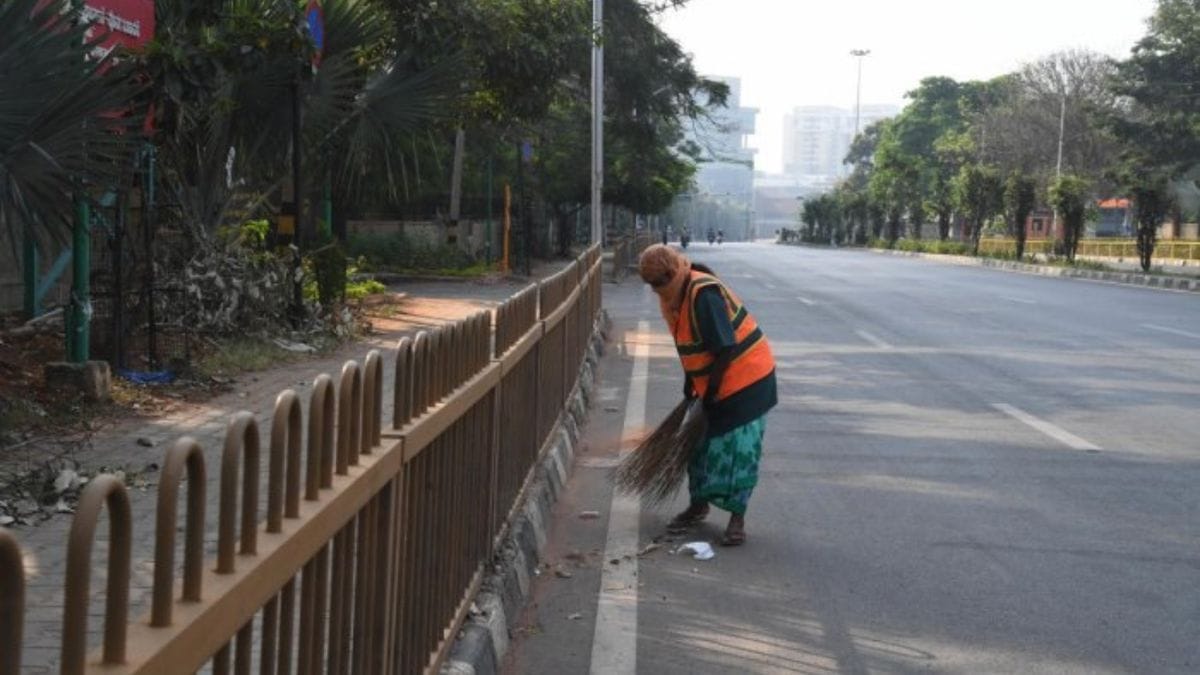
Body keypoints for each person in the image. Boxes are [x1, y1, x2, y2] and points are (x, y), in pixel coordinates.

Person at [637, 244, 777, 546]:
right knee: (698, 447)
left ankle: (737, 518)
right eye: (652, 286)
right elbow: (691, 343)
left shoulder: (704, 294)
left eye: (659, 283)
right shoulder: (674, 298)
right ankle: (698, 505)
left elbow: (724, 347)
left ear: (673, 273)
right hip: (716, 378)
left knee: (737, 451)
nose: (656, 290)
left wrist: (711, 393)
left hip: (749, 378)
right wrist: (692, 383)